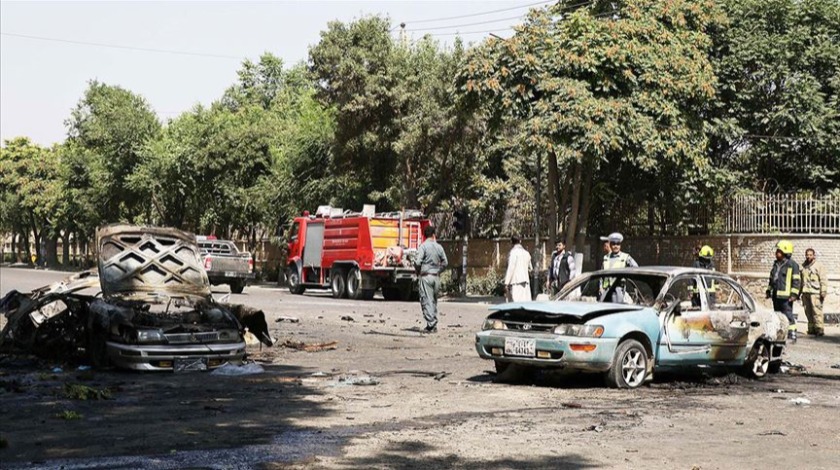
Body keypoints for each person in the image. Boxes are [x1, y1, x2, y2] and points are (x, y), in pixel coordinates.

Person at [414, 225, 448, 333]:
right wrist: (438, 270)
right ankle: (433, 323)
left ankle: (431, 325)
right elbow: (445, 263)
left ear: (424, 235)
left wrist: (418, 272)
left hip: (426, 276)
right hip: (436, 277)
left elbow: (417, 262)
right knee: (433, 301)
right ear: (434, 235)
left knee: (426, 300)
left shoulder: (423, 246)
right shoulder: (439, 247)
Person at [766, 240, 801, 342]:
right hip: (776, 295)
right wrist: (769, 290)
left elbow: (796, 281)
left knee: (788, 315)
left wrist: (794, 294)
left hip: (786, 297)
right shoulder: (776, 264)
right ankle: (780, 333)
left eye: (779, 251)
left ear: (785, 252)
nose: (776, 253)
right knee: (777, 316)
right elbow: (772, 279)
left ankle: (792, 334)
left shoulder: (792, 265)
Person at [601, 232, 638, 303]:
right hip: (605, 289)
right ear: (610, 245)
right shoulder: (606, 258)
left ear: (620, 245)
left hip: (618, 289)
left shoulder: (625, 257)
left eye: (618, 244)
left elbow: (636, 268)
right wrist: (600, 288)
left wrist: (626, 274)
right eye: (613, 244)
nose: (616, 246)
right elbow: (601, 274)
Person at [800, 248, 828, 336]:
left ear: (814, 255)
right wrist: (798, 293)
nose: (808, 256)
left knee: (817, 312)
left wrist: (823, 291)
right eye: (807, 255)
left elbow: (823, 279)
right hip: (805, 292)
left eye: (810, 255)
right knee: (808, 312)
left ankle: (819, 329)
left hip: (815, 293)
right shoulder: (803, 266)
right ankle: (811, 329)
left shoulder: (819, 266)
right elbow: (801, 281)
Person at [504, 235, 532, 302]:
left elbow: (511, 268)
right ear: (520, 241)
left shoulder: (513, 253)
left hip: (516, 282)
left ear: (511, 242)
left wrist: (506, 283)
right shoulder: (526, 253)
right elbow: (530, 268)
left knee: (516, 303)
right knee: (526, 303)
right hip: (526, 282)